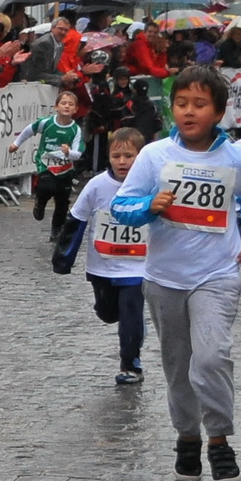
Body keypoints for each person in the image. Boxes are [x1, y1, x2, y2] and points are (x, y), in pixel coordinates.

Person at [111, 66, 241, 481]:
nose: (189, 111)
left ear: (218, 111)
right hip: (164, 278)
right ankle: (187, 437)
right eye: (181, 103)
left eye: (199, 104)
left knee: (213, 355)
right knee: (178, 366)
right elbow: (121, 207)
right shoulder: (154, 155)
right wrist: (151, 205)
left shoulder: (236, 156)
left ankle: (218, 437)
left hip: (217, 274)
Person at [53, 127, 149, 385]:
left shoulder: (152, 184)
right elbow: (77, 219)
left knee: (130, 314)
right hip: (102, 267)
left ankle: (130, 364)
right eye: (116, 156)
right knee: (107, 313)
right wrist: (63, 259)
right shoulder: (97, 186)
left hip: (137, 268)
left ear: (141, 157)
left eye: (129, 156)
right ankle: (134, 326)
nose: (122, 161)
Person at [10, 88, 83, 239]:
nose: (67, 106)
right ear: (56, 107)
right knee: (47, 186)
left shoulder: (75, 130)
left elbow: (78, 153)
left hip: (65, 169)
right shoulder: (47, 123)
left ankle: (57, 229)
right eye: (63, 103)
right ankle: (40, 202)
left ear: (75, 109)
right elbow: (29, 130)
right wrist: (16, 143)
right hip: (46, 164)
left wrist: (68, 152)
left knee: (62, 202)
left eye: (71, 104)